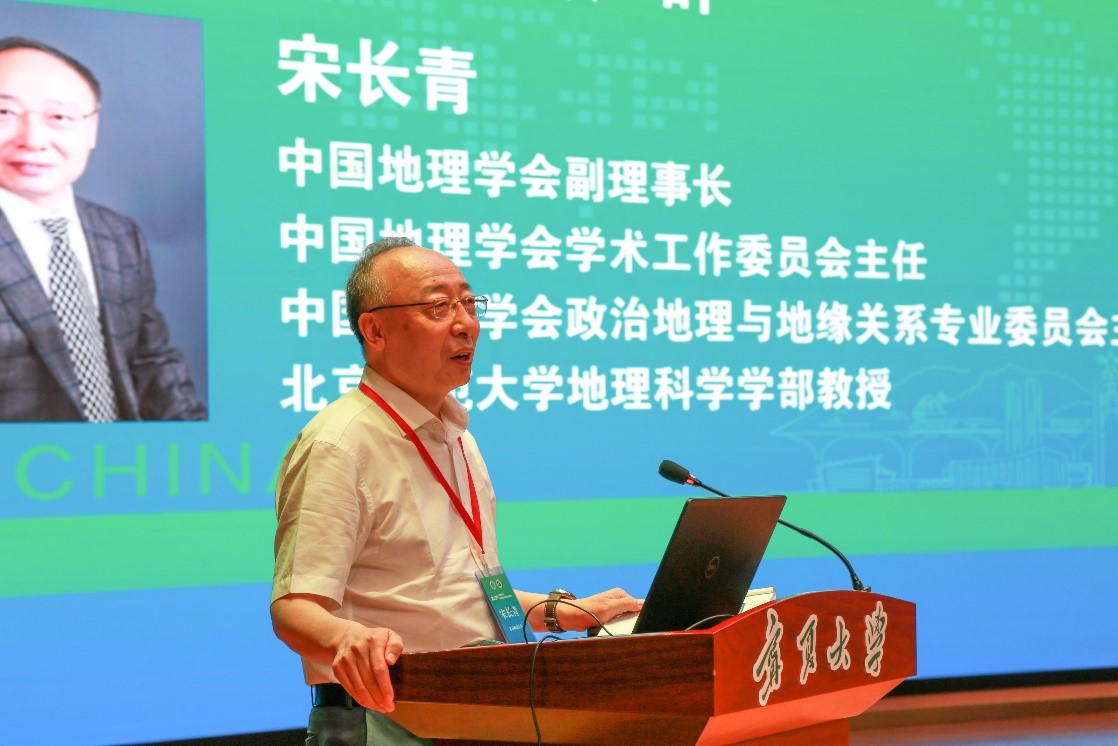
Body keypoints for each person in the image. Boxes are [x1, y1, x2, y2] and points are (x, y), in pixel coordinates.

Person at [271, 237, 643, 745]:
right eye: (439, 307)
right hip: (385, 718)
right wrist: (348, 638)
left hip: (475, 709)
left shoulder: (456, 436)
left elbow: (458, 594)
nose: (466, 323)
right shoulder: (339, 444)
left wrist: (561, 612)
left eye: (469, 303)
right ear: (374, 329)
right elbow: (294, 609)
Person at [0, 36, 205, 421]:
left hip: (120, 456)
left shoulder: (117, 234)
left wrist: (198, 439)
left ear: (91, 128)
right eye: (5, 112)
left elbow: (150, 359)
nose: (33, 140)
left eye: (58, 117)